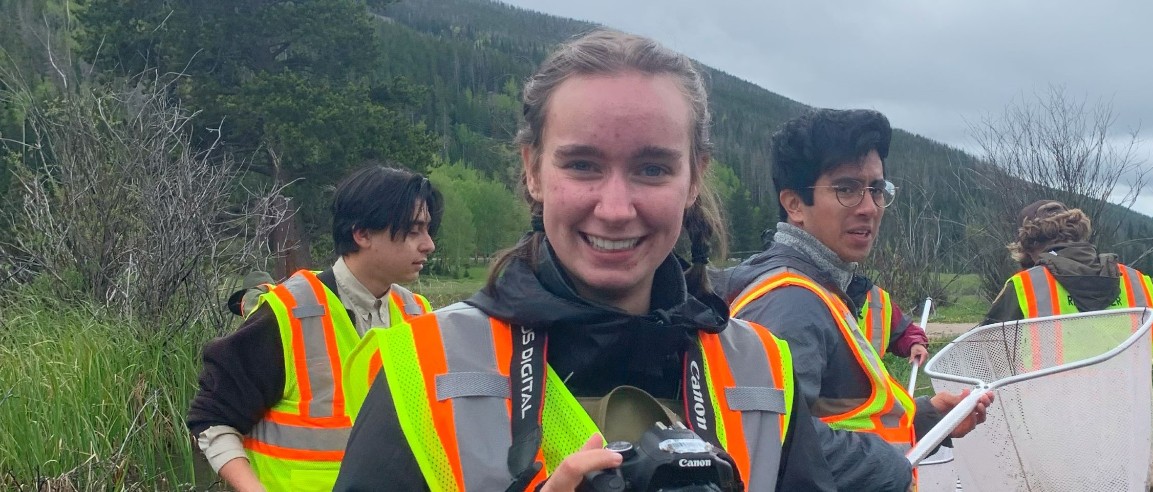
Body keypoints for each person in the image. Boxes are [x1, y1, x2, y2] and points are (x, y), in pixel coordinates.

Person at [334, 30, 860, 491]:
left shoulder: (763, 370)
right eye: (583, 164)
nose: (614, 208)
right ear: (533, 170)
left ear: (695, 178)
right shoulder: (427, 368)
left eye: (652, 169)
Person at [717, 109, 991, 490]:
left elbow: (832, 418)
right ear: (794, 204)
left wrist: (926, 419)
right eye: (846, 189)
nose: (869, 208)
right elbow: (771, 444)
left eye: (877, 190)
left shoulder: (821, 285)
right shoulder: (790, 301)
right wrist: (889, 467)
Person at [187, 164, 441, 491]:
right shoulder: (286, 315)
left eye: (428, 229)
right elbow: (211, 418)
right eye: (413, 230)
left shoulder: (418, 317)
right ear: (362, 233)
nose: (428, 244)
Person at [981, 199, 1153, 491]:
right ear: (1080, 234)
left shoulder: (1024, 286)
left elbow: (985, 365)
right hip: (1133, 444)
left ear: (1027, 247)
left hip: (1056, 452)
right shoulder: (1139, 282)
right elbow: (1151, 355)